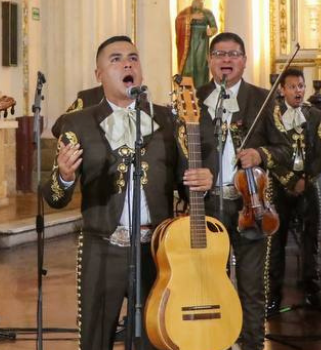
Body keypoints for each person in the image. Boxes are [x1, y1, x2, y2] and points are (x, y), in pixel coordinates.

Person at [45, 36, 213, 350]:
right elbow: (54, 197)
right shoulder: (77, 123)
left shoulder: (166, 119)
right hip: (102, 248)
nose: (127, 64)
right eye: (116, 58)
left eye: (133, 58)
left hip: (157, 251)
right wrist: (65, 177)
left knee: (156, 337)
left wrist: (204, 178)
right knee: (96, 338)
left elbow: (185, 181)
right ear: (99, 74)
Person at [195, 32, 291, 350]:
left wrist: (260, 154)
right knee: (210, 283)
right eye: (219, 54)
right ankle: (217, 341)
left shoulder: (263, 98)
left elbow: (286, 149)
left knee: (251, 285)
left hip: (251, 206)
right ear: (209, 61)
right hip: (207, 206)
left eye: (233, 54)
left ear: (244, 61)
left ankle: (251, 343)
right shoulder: (193, 99)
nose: (226, 60)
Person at [266, 67, 321, 314]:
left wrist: (307, 178)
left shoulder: (314, 116)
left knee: (311, 240)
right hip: (280, 185)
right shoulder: (272, 115)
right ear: (282, 90)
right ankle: (273, 295)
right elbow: (268, 149)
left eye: (301, 86)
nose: (298, 91)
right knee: (276, 242)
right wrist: (287, 179)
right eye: (292, 86)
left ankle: (313, 292)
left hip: (308, 184)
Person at [175, 0, 219, 88]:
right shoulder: (185, 12)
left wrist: (211, 31)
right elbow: (178, 20)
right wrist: (190, 17)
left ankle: (201, 94)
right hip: (188, 46)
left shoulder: (207, 13)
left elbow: (214, 27)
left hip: (202, 44)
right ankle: (186, 95)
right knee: (187, 68)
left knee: (201, 68)